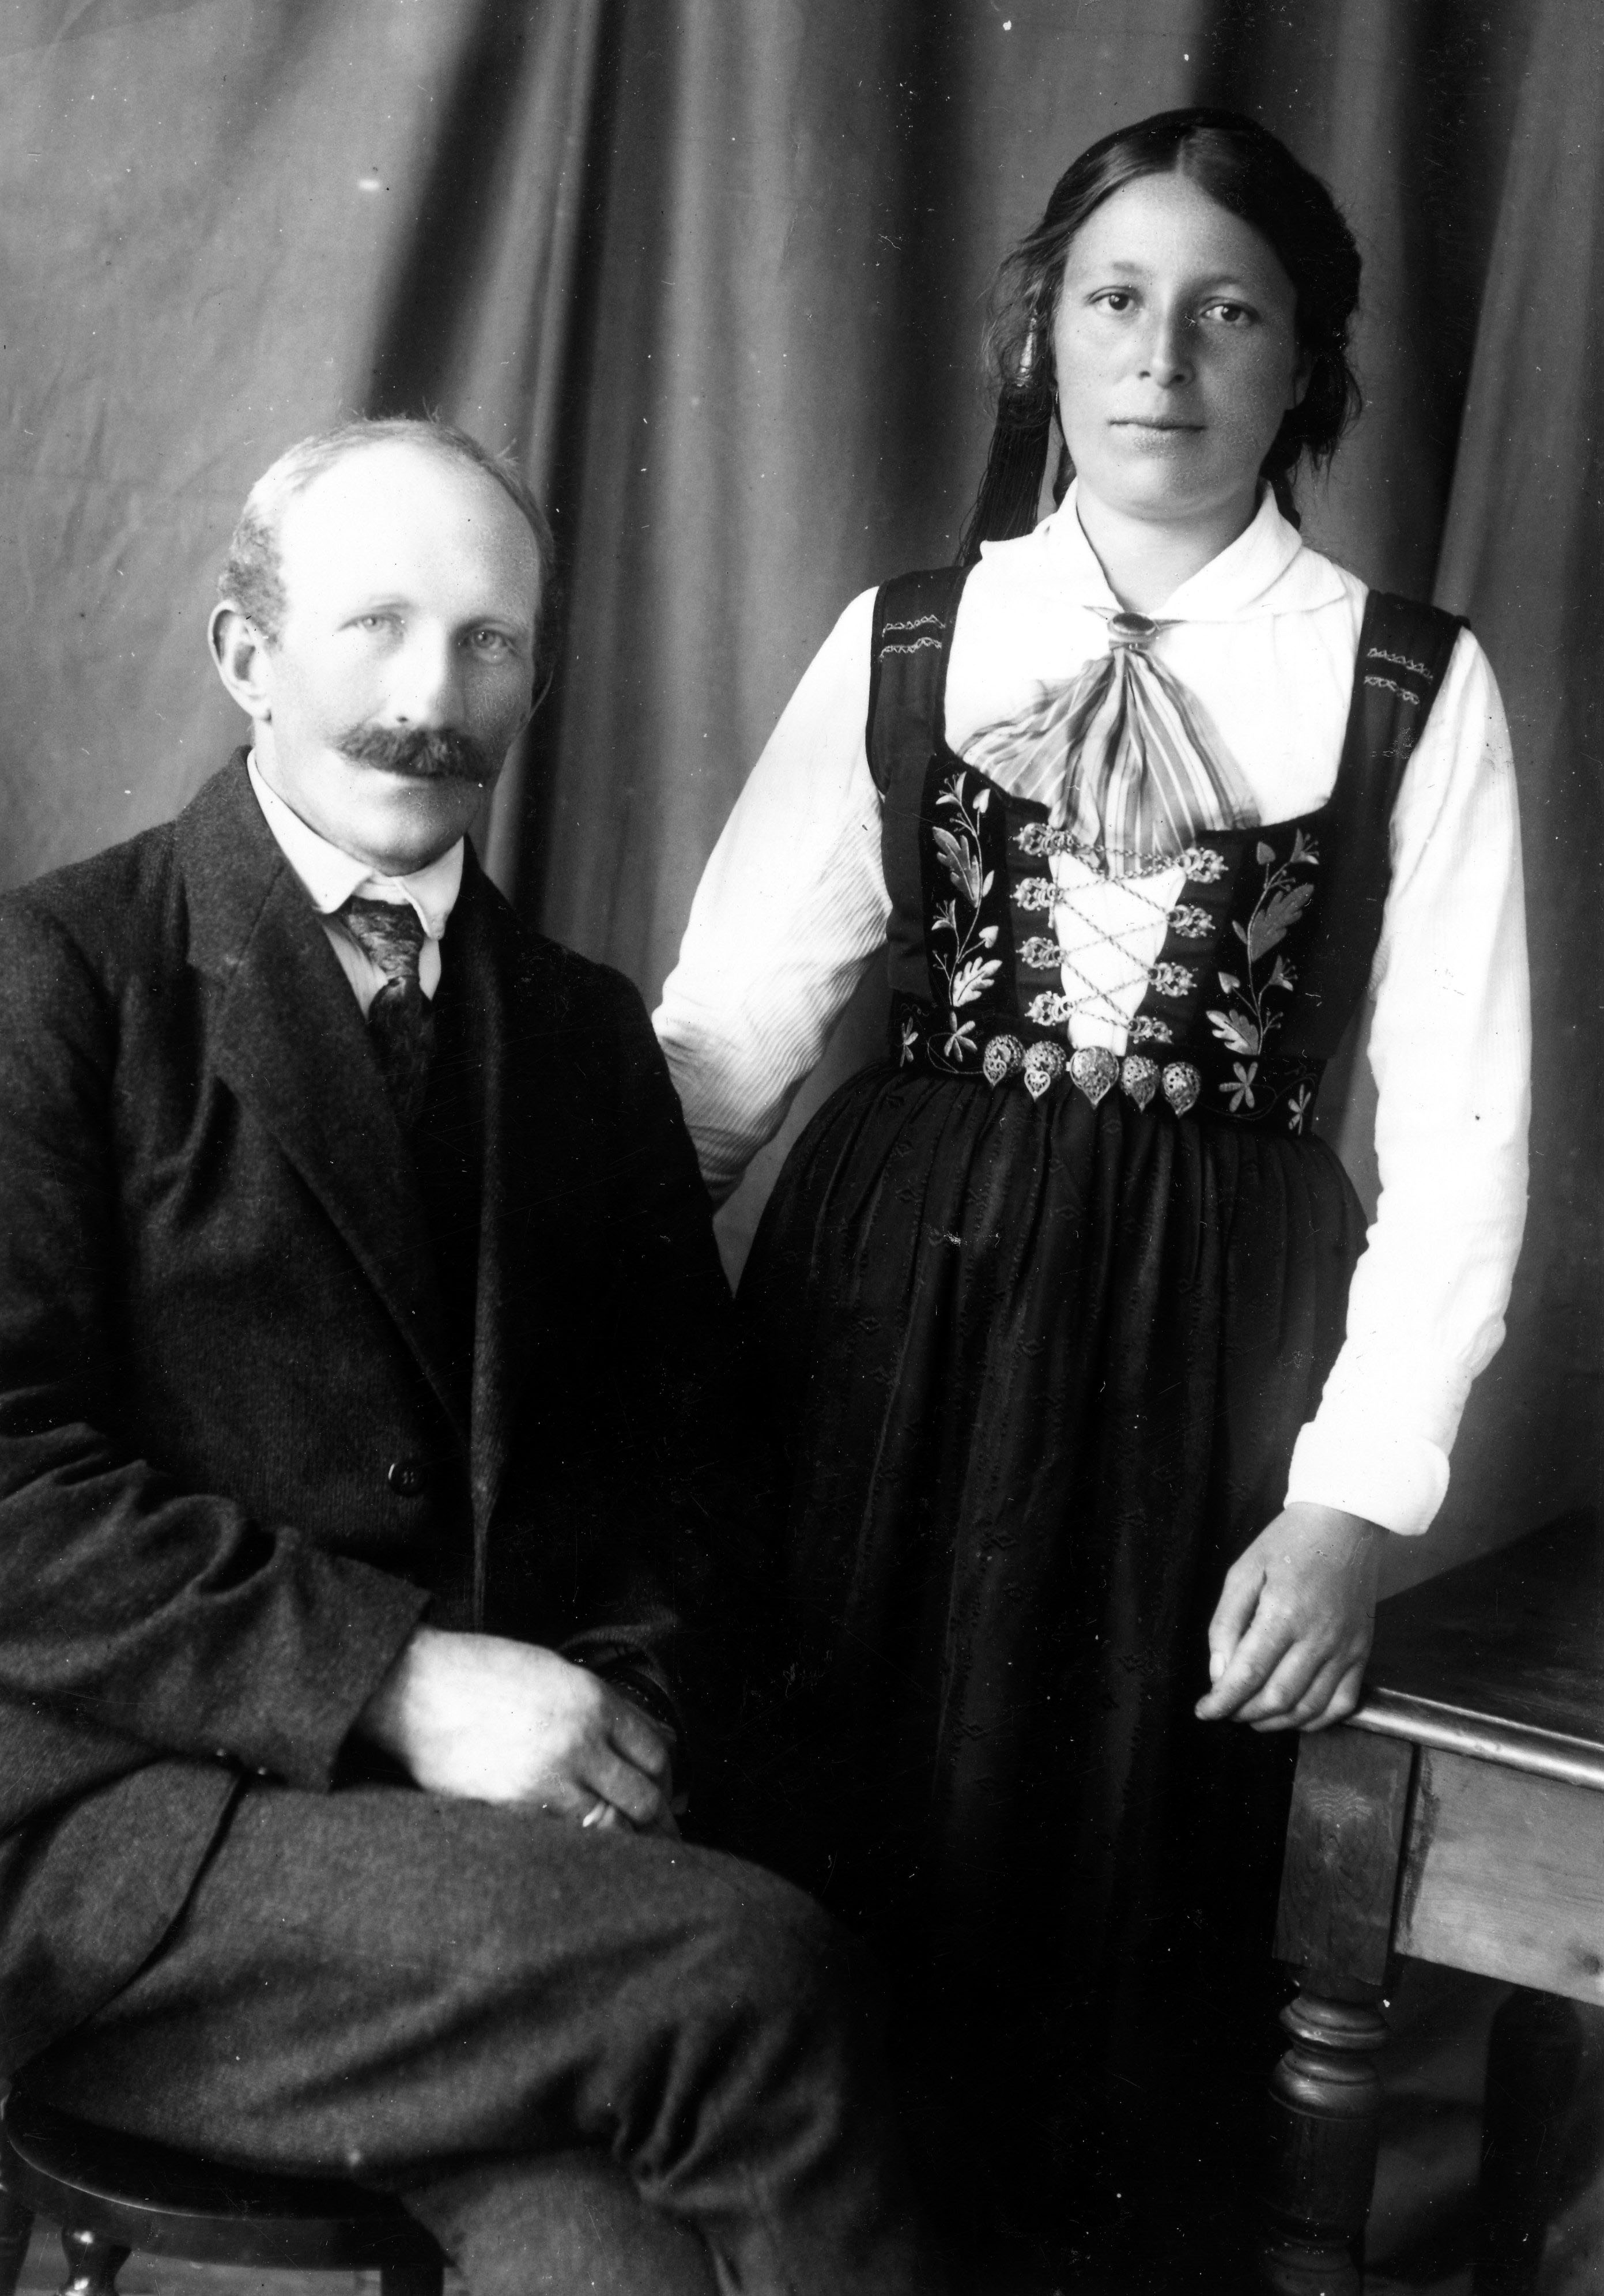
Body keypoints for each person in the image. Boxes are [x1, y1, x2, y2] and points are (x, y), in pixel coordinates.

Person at [654, 110, 1530, 2289]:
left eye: (1230, 313)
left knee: (1133, 1886)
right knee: (827, 1824)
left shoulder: (1408, 682)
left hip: (1206, 1352)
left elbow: (1464, 1135)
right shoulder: (912, 636)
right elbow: (729, 1042)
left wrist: (1354, 1501)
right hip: (886, 1315)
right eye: (1116, 301)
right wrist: (616, 1356)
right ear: (1040, 334)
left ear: (1307, 364)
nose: (1164, 357)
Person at [0, 418, 939, 2296]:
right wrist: (404, 1684)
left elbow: (688, 1477)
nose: (433, 701)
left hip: (477, 1878)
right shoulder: (60, 977)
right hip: (125, 1849)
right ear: (247, 656)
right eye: (376, 627)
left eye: (488, 642)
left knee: (617, 2258)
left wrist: (611, 1737)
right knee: (749, 1975)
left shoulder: (580, 1032)